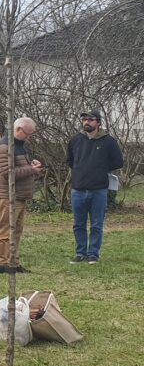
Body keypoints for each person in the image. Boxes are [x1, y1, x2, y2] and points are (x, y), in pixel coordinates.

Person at [68, 110, 124, 264]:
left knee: (96, 224)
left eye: (90, 120)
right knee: (78, 224)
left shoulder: (108, 141)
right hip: (78, 189)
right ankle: (80, 253)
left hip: (99, 190)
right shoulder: (75, 140)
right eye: (84, 119)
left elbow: (118, 161)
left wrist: (100, 168)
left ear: (98, 122)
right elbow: (70, 161)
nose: (87, 122)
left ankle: (93, 254)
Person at [0, 117, 43, 267]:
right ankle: (2, 262)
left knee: (16, 230)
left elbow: (19, 167)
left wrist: (32, 165)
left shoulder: (19, 145)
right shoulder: (4, 146)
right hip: (7, 195)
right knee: (6, 230)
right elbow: (6, 172)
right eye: (27, 134)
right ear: (18, 129)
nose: (29, 137)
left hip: (19, 195)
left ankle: (13, 261)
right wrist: (31, 169)